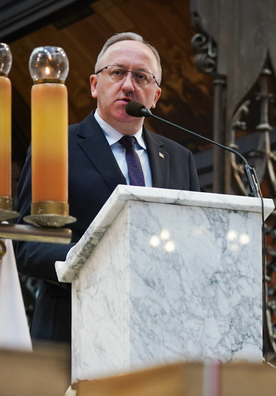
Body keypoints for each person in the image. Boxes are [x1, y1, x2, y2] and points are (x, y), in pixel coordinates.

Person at [14, 32, 201, 342]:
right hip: (75, 328)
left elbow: (192, 242)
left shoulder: (180, 158)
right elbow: (27, 244)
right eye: (117, 73)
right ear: (94, 84)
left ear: (155, 96)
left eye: (141, 77)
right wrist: (87, 261)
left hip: (159, 334)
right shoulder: (57, 146)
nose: (128, 85)